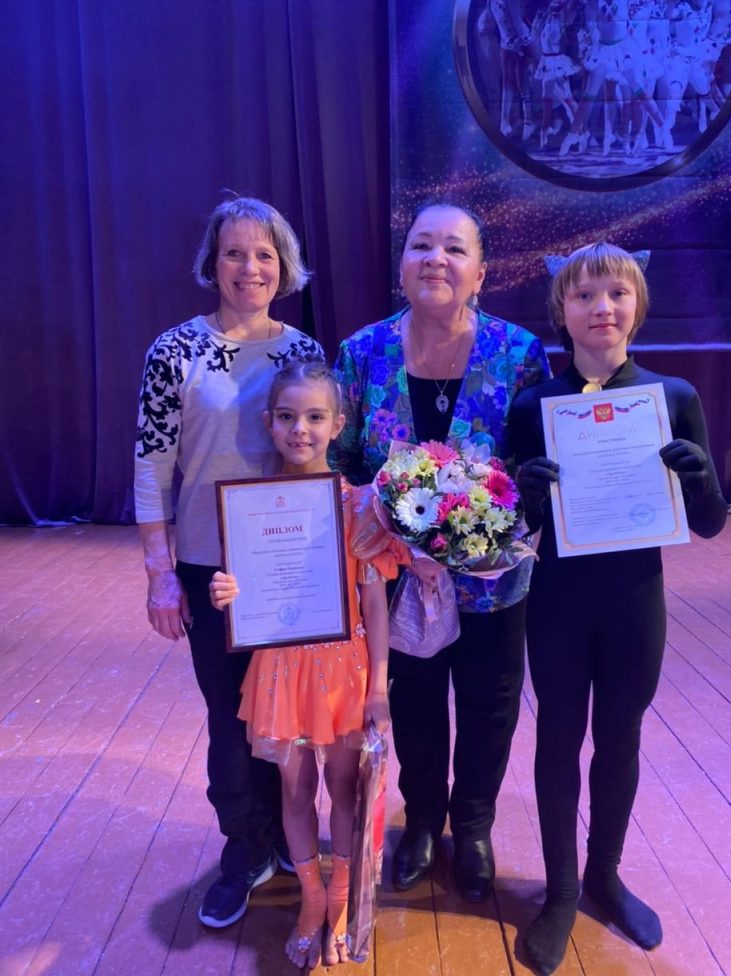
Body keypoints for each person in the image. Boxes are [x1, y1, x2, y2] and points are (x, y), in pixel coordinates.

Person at [508, 243, 727, 974]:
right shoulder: (534, 406)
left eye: (617, 293)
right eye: (584, 296)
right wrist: (527, 491)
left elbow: (710, 524)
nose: (602, 307)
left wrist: (701, 479)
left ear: (638, 305)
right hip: (560, 602)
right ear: (560, 311)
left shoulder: (673, 398)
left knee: (621, 736)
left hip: (636, 600)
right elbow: (516, 528)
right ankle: (561, 892)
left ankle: (604, 875)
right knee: (557, 737)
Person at [333, 203, 551, 903]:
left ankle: (475, 824)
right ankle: (424, 820)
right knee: (416, 700)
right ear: (402, 265)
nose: (436, 259)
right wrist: (378, 519)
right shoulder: (362, 354)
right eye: (421, 245)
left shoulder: (519, 354)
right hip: (396, 582)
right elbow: (337, 462)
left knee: (490, 703)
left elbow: (538, 466)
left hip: (492, 580)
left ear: (480, 273)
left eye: (454, 248)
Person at [134, 196, 324, 929]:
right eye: (235, 253)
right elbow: (151, 467)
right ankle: (245, 846)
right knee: (230, 713)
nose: (250, 267)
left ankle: (292, 836)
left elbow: (321, 455)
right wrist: (160, 572)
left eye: (264, 254)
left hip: (291, 566)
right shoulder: (174, 352)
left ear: (285, 266)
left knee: (289, 710)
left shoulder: (305, 353)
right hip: (210, 566)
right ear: (212, 263)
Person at [209, 360, 406, 968]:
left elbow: (374, 602)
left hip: (344, 673)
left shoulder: (360, 507)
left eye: (315, 417)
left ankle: (341, 897)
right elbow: (251, 590)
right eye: (288, 417)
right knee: (294, 792)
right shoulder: (251, 508)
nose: (301, 429)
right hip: (279, 672)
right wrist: (228, 593)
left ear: (337, 425)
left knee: (343, 788)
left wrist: (379, 686)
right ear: (269, 424)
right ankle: (312, 899)